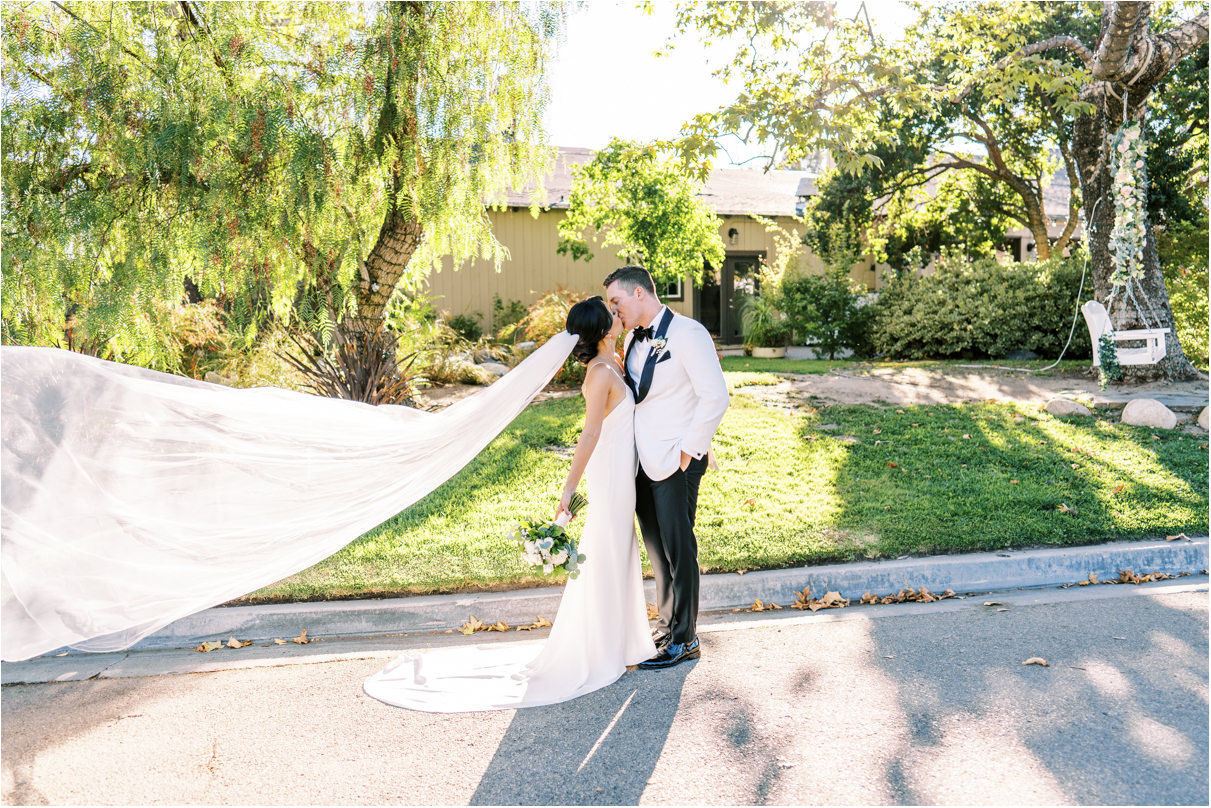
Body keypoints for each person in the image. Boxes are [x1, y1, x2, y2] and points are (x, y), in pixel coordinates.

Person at [362, 297, 655, 711]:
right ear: (604, 329)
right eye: (612, 315)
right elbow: (589, 436)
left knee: (619, 554)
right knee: (607, 555)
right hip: (609, 477)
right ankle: (601, 650)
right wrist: (567, 492)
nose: (618, 316)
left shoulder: (616, 362)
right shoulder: (600, 375)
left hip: (623, 474)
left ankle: (622, 642)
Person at [603, 265, 729, 670]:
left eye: (616, 301)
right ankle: (668, 628)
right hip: (641, 463)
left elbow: (715, 397)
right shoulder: (633, 342)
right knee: (658, 553)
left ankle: (685, 640)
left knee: (679, 550)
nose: (614, 310)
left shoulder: (688, 334)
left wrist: (688, 452)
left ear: (640, 293)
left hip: (677, 461)